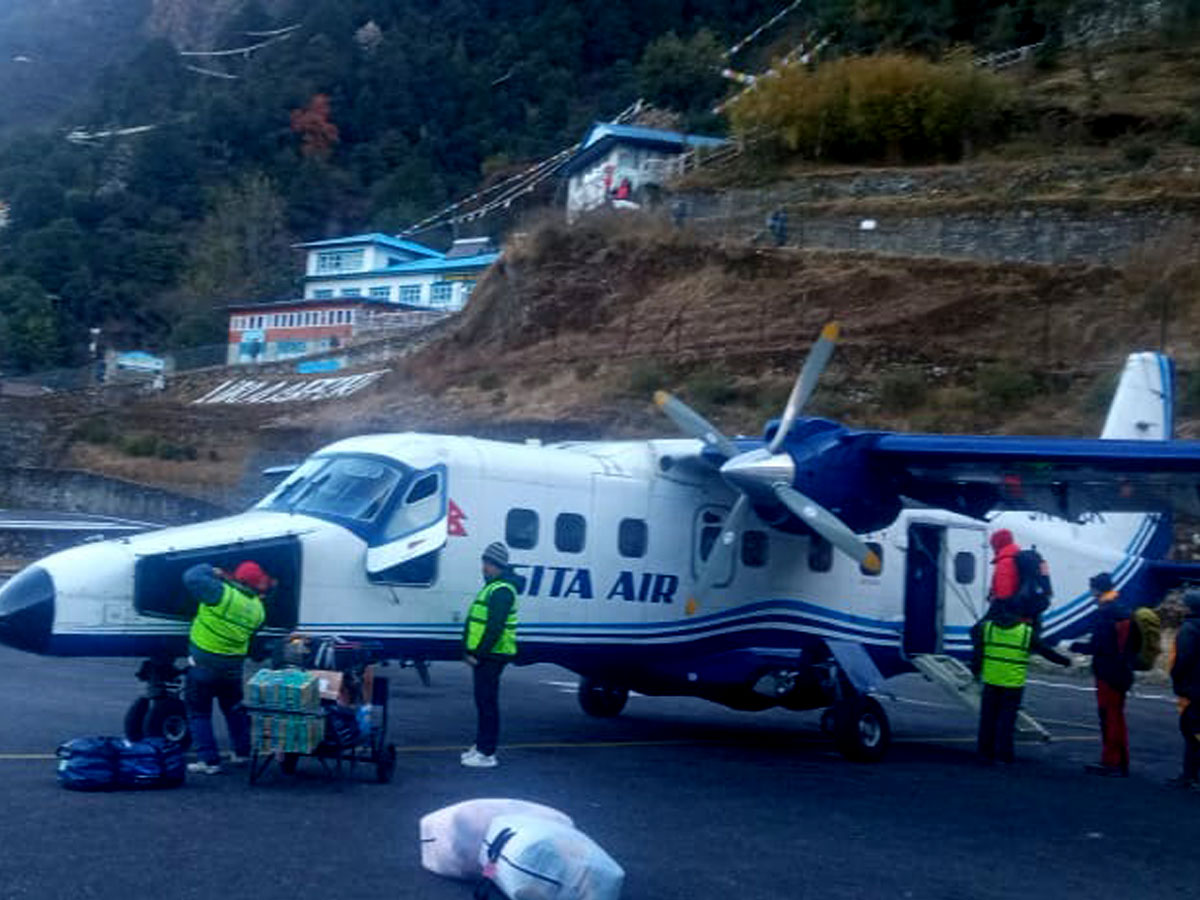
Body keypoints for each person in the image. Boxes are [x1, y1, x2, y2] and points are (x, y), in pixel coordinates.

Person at [183, 560, 275, 775]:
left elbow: (191, 576)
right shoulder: (258, 610)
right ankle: (241, 753)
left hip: (203, 663)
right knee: (234, 711)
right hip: (232, 667)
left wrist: (211, 570)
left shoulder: (221, 593)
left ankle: (209, 761)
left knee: (199, 713)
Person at [972, 597, 1070, 764]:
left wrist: (975, 671)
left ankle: (984, 753)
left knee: (988, 718)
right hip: (1012, 683)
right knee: (1006, 720)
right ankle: (1004, 755)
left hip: (991, 680)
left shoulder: (987, 628)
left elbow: (978, 652)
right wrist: (1065, 661)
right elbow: (1045, 651)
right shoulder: (1025, 632)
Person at [461, 542, 519, 769]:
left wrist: (479, 655)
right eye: (484, 562)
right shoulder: (494, 587)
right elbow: (477, 621)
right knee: (483, 701)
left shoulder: (502, 590)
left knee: (487, 703)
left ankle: (487, 753)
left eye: (487, 563)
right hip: (487, 655)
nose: (483, 567)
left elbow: (494, 627)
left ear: (497, 565)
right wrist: (467, 649)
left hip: (492, 656)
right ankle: (481, 746)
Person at [1069, 573, 1134, 777]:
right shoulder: (1123, 609)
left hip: (1108, 670)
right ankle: (1121, 760)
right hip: (1121, 670)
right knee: (1117, 715)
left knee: (1108, 715)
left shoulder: (1105, 612)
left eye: (1092, 588)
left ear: (1098, 589)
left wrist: (1076, 646)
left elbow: (1100, 645)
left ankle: (1111, 761)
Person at [1168, 590, 1200, 788]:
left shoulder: (1189, 628)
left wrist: (1176, 677)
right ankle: (1191, 775)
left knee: (1191, 730)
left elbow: (1184, 658)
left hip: (1193, 687)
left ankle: (1189, 775)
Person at [988, 529, 1021, 605]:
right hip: (1026, 612)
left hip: (1012, 613)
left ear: (998, 544)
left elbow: (1004, 594)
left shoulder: (1005, 563)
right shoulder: (1017, 557)